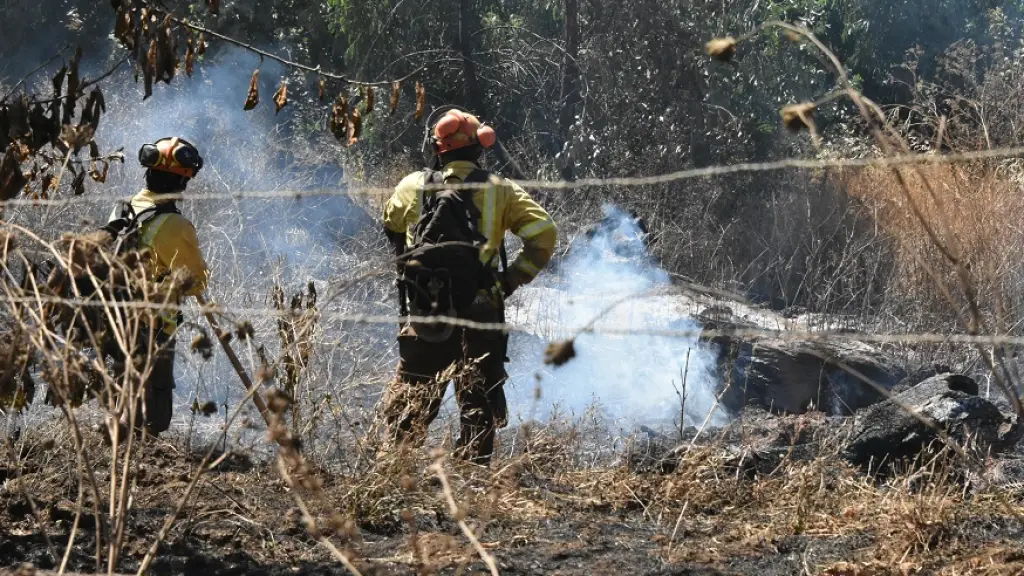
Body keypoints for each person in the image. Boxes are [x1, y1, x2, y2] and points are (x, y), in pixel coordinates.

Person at [381, 107, 557, 464]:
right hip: (481, 309)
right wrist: (510, 280)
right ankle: (472, 488)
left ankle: (394, 474)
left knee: (411, 404)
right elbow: (544, 233)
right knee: (478, 403)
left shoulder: (412, 184)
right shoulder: (500, 191)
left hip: (427, 310)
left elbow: (391, 223)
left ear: (438, 148)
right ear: (479, 148)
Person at [103, 136, 209, 437]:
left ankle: (117, 445)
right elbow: (196, 280)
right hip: (154, 327)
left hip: (115, 316)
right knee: (153, 408)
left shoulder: (122, 208)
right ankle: (136, 460)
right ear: (181, 182)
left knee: (125, 383)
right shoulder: (176, 225)